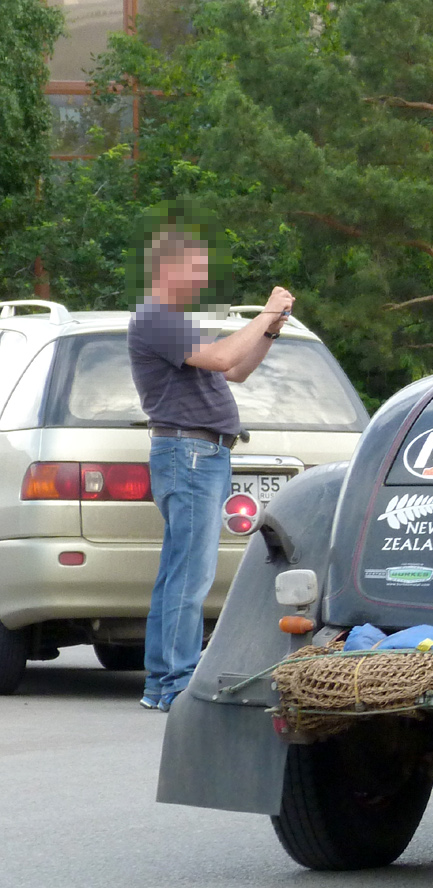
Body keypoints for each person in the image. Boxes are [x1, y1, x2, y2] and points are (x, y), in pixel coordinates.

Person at [128, 227, 294, 711]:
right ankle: (176, 684)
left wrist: (271, 327)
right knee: (190, 574)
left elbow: (236, 369)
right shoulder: (156, 316)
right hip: (190, 454)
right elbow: (223, 356)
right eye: (197, 267)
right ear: (168, 269)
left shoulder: (174, 320)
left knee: (179, 571)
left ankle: (163, 682)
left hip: (202, 454)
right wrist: (264, 311)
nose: (203, 277)